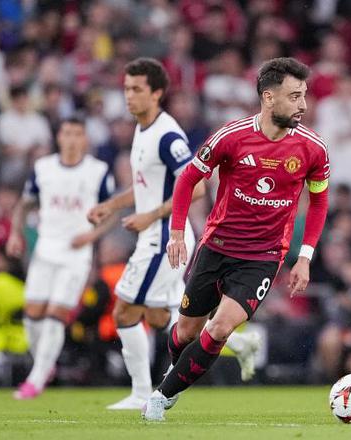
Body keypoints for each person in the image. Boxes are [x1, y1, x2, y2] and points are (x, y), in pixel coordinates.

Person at [143, 57, 331, 421]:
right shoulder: (231, 136)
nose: (303, 105)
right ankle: (192, 369)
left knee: (219, 328)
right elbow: (188, 179)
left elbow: (320, 201)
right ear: (268, 97)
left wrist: (305, 257)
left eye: (304, 96)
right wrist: (177, 233)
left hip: (263, 256)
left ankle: (161, 397)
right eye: (294, 96)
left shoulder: (312, 148)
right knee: (185, 333)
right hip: (216, 247)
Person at [87, 58, 260, 411]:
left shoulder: (167, 136)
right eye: (126, 89)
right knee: (160, 318)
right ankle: (240, 344)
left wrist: (150, 216)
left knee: (124, 312)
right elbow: (146, 186)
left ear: (157, 93)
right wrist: (112, 205)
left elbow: (195, 187)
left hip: (165, 238)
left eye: (137, 89)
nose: (129, 96)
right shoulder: (142, 130)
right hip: (152, 234)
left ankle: (141, 393)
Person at [7, 117, 115, 399]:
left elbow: (111, 211)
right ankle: (45, 365)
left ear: (85, 139)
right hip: (45, 250)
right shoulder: (43, 168)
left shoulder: (98, 171)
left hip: (76, 255)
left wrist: (91, 236)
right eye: (67, 133)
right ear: (59, 137)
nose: (71, 139)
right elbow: (24, 204)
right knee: (32, 317)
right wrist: (15, 234)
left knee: (56, 315)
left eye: (77, 134)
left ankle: (36, 378)